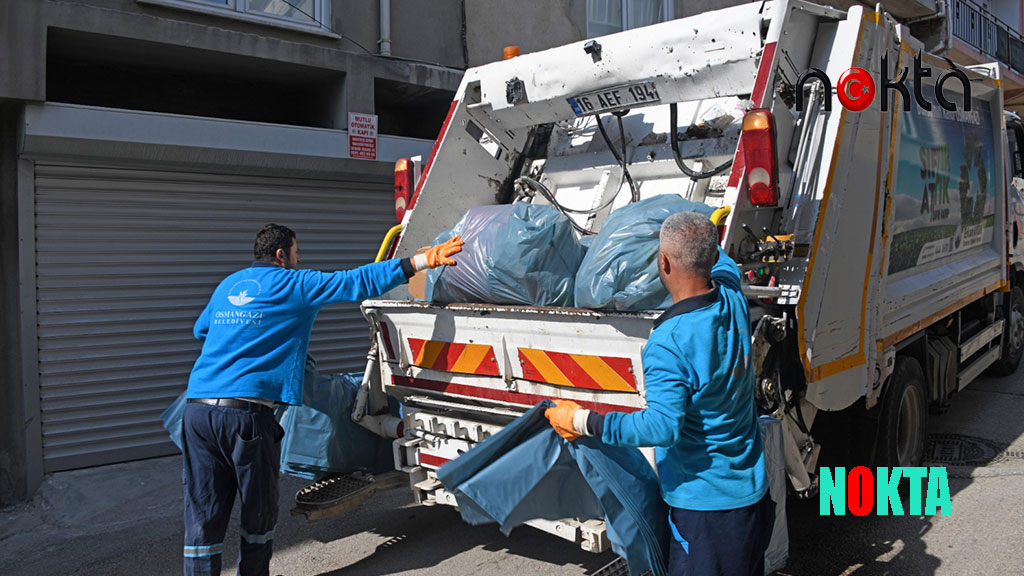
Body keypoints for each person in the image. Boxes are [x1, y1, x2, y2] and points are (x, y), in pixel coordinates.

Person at [182, 223, 462, 576]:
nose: (301, 260)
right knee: (258, 509)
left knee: (204, 508)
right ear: (282, 256)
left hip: (197, 411)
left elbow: (201, 330)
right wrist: (423, 260)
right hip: (245, 417)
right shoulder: (293, 284)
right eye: (297, 253)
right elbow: (356, 281)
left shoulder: (229, 285)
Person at [544, 212, 773, 576]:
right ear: (712, 259)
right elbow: (724, 263)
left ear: (662, 262)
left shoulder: (669, 342)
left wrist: (583, 421)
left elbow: (662, 426)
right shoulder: (732, 299)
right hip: (750, 495)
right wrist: (713, 227)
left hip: (704, 510)